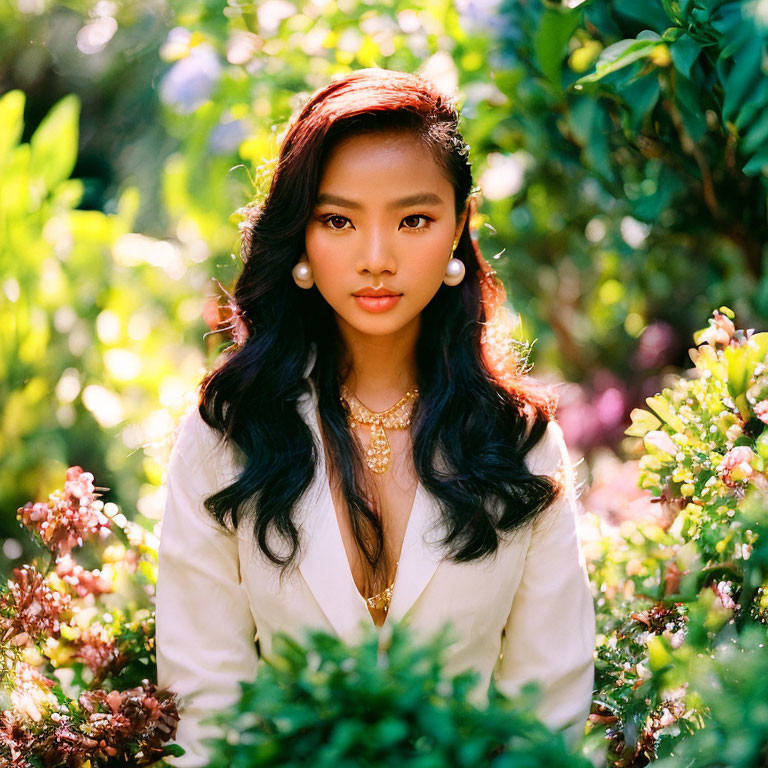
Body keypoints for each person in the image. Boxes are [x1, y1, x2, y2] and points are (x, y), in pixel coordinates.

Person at [155, 67, 595, 767]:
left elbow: (548, 707)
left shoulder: (519, 442)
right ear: (300, 235)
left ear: (459, 227)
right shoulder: (229, 435)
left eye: (413, 219)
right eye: (338, 220)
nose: (376, 259)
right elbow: (206, 706)